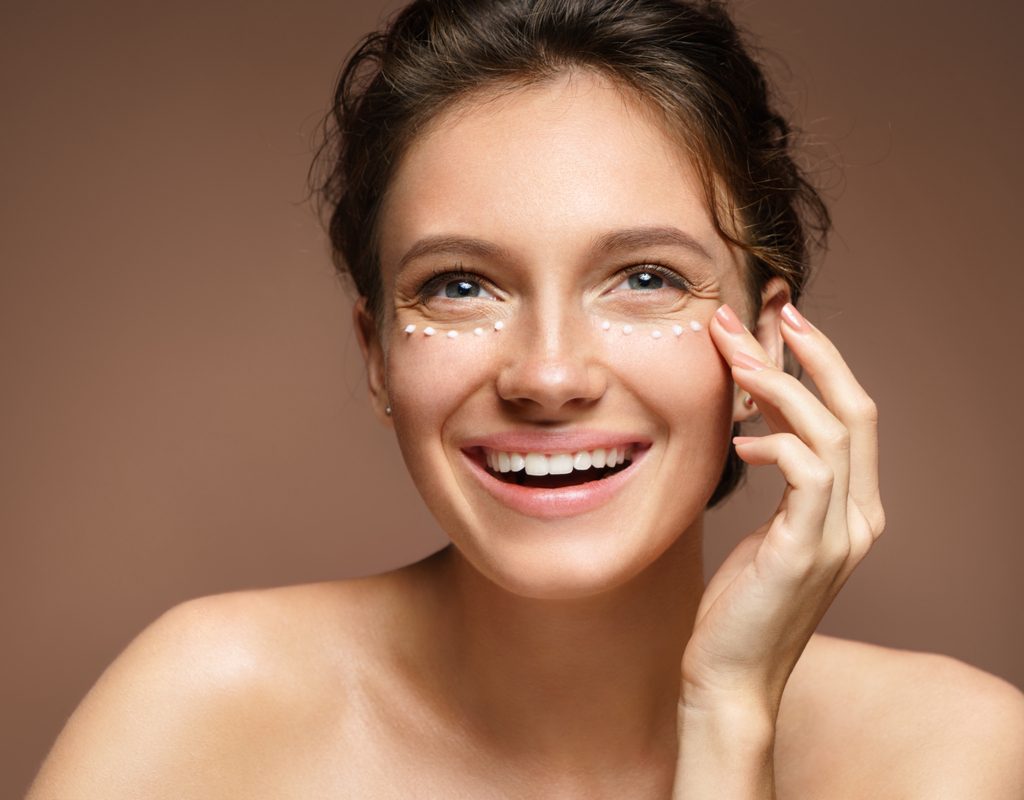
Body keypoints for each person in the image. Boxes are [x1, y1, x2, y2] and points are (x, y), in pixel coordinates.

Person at [26, 0, 1024, 797]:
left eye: (644, 278)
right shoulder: (206, 708)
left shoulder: (949, 757)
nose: (548, 376)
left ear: (765, 341)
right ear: (377, 354)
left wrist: (725, 721)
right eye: (459, 285)